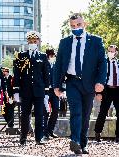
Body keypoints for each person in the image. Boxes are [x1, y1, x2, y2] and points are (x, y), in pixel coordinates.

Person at [53, 13, 106, 154]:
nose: (76, 28)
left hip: (89, 83)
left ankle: (83, 144)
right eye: (72, 26)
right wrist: (56, 85)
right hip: (72, 82)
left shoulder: (96, 41)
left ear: (84, 24)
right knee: (76, 112)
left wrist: (100, 82)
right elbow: (58, 65)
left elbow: (102, 63)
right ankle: (75, 140)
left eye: (78, 25)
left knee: (86, 114)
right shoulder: (65, 42)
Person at [13, 31, 50, 145]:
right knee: (25, 115)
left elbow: (46, 75)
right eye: (30, 41)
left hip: (39, 91)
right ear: (27, 42)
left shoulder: (43, 56)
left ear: (38, 42)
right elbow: (17, 74)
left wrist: (47, 92)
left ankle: (39, 138)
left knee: (39, 115)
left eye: (34, 41)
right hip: (26, 91)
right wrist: (16, 91)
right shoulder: (21, 56)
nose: (32, 43)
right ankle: (23, 138)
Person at [94, 45, 119, 143]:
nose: (110, 53)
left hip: (117, 90)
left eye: (112, 51)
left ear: (116, 52)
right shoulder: (103, 63)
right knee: (103, 112)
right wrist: (98, 92)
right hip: (107, 90)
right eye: (109, 51)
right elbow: (98, 78)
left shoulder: (118, 62)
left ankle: (118, 136)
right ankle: (97, 133)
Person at [43, 48, 59, 139]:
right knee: (45, 111)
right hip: (46, 90)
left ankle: (50, 130)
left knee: (56, 110)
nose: (54, 57)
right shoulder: (44, 63)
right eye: (53, 55)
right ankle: (44, 131)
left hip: (54, 90)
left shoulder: (55, 64)